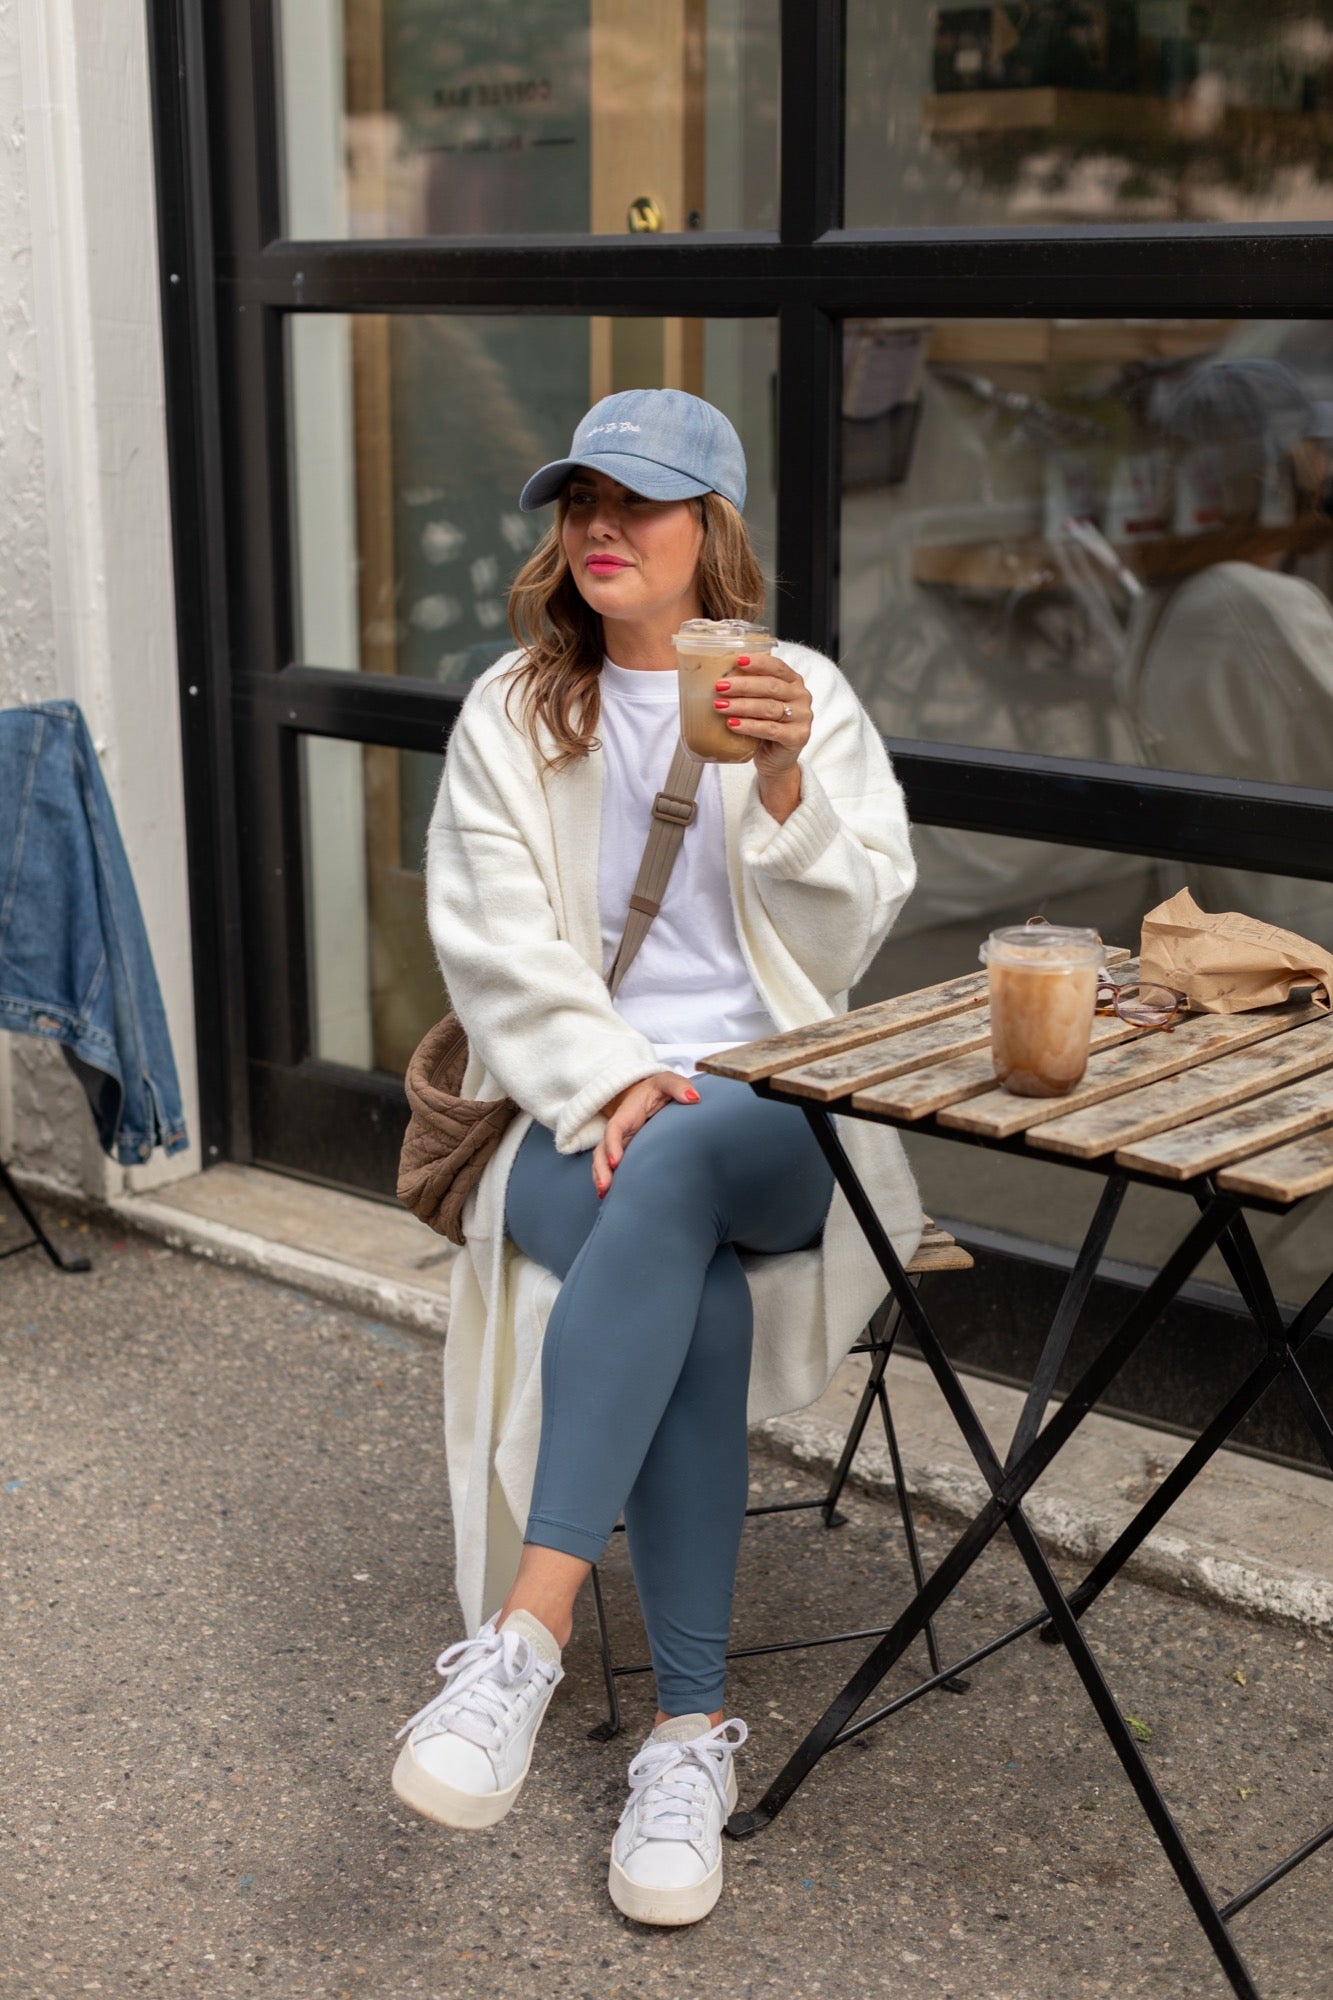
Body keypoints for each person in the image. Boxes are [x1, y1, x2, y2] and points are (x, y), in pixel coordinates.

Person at [391, 388, 923, 1925]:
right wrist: (616, 1073)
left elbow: (855, 922)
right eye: (580, 503)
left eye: (639, 504)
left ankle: (525, 1639)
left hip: (771, 1112)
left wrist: (783, 786)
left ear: (711, 535)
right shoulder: (511, 707)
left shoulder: (796, 686)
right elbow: (490, 945)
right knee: (680, 1264)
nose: (602, 530)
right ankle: (686, 1744)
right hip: (576, 1110)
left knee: (692, 1151)